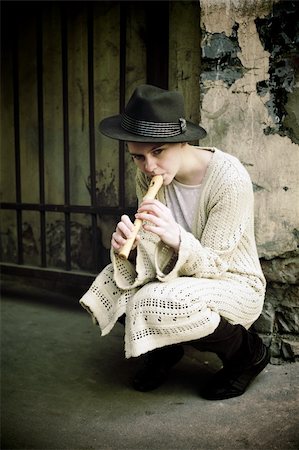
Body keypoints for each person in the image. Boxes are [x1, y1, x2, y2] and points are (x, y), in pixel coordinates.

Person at [79, 84, 270, 400]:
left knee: (152, 300)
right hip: (181, 275)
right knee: (116, 280)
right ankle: (165, 349)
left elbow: (215, 264)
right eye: (138, 157)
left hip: (233, 280)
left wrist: (177, 237)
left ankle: (246, 354)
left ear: (182, 141)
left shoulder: (229, 178)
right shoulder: (148, 177)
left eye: (158, 152)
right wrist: (134, 248)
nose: (149, 167)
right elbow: (154, 250)